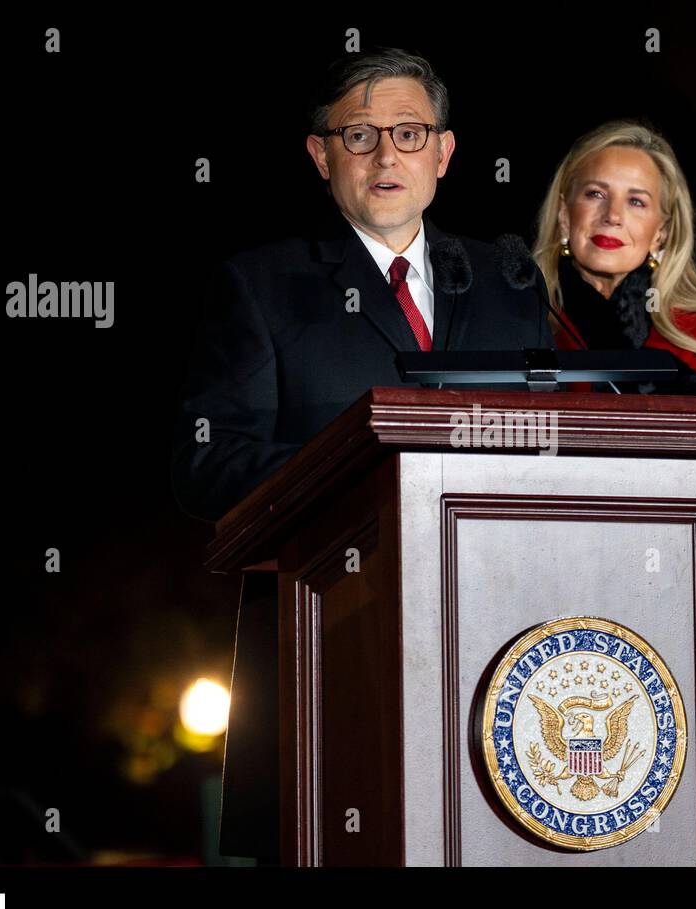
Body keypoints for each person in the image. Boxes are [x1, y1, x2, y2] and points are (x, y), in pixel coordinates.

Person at [170, 49, 554, 862]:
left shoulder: (509, 282)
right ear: (320, 155)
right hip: (332, 652)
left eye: (409, 132)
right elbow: (206, 465)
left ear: (443, 153)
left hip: (498, 646)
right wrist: (364, 475)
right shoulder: (260, 285)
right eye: (359, 134)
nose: (387, 156)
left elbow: (545, 451)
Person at [533, 119, 696, 865]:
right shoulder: (509, 325)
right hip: (543, 614)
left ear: (664, 228)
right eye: (595, 194)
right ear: (564, 215)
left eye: (637, 201)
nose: (613, 216)